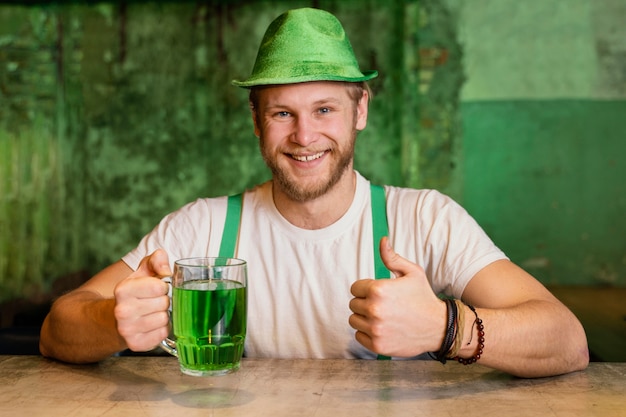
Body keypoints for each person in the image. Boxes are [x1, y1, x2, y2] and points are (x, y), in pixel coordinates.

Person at [39, 7, 588, 378]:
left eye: (324, 109)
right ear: (257, 123)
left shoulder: (425, 218)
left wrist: (449, 328)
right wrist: (111, 320)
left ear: (361, 112)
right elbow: (57, 326)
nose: (305, 137)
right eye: (283, 113)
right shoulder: (200, 227)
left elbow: (567, 340)